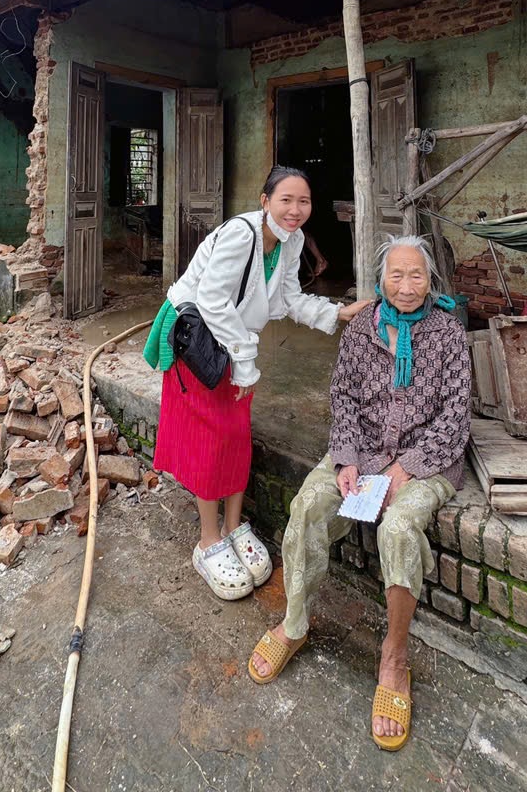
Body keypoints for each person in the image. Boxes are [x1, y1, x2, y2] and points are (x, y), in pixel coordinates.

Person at [247, 234, 471, 753]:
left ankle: (393, 658)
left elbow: (456, 416)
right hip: (363, 453)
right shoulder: (362, 329)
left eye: (417, 276)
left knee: (397, 525)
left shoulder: (448, 333)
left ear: (430, 280)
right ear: (380, 280)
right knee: (306, 504)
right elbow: (343, 396)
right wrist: (346, 458)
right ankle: (294, 623)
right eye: (397, 275)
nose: (408, 286)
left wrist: (406, 469)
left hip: (426, 462)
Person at [144, 166, 370, 602]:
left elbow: (286, 300)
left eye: (303, 201)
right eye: (285, 200)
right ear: (265, 201)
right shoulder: (239, 235)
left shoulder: (292, 242)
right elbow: (210, 300)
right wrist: (244, 362)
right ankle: (208, 540)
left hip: (233, 343)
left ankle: (233, 526)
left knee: (236, 435)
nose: (295, 210)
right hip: (197, 341)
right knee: (211, 437)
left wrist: (335, 313)